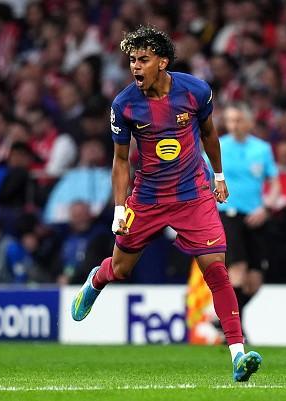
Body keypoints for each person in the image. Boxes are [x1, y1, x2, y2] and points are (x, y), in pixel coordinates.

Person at [70, 26, 261, 382]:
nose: (135, 66)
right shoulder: (124, 104)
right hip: (148, 198)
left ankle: (238, 354)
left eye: (143, 59)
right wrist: (119, 209)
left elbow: (209, 134)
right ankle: (96, 279)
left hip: (193, 195)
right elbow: (121, 160)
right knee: (121, 269)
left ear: (162, 62)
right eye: (132, 60)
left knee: (217, 271)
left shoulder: (196, 91)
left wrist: (219, 177)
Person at [212, 103, 280, 319]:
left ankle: (225, 319)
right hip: (228, 214)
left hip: (255, 216)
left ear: (249, 122)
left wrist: (266, 208)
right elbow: (200, 175)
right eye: (230, 120)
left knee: (255, 279)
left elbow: (275, 184)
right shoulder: (217, 147)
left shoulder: (262, 149)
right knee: (238, 268)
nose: (234, 125)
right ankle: (232, 327)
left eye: (239, 120)